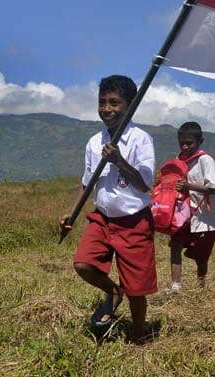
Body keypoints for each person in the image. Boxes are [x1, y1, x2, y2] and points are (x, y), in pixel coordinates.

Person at [60, 75, 156, 343]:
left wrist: (119, 161)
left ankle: (138, 335)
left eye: (114, 102)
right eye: (102, 102)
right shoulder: (93, 143)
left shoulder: (141, 139)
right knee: (83, 264)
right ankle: (112, 292)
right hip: (102, 218)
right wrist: (72, 212)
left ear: (130, 104)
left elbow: (146, 183)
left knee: (137, 289)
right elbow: (87, 182)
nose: (107, 108)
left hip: (134, 221)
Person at [166, 122, 215, 291]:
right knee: (175, 245)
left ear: (200, 141)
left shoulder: (205, 160)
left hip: (205, 218)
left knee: (201, 257)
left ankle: (201, 286)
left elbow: (214, 188)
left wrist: (189, 186)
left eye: (189, 143)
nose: (184, 146)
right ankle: (176, 285)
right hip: (185, 215)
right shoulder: (179, 159)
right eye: (181, 142)